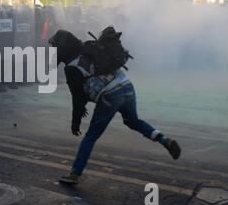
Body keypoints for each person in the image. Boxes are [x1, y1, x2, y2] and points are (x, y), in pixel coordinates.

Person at [48, 30, 181, 185]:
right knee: (133, 121)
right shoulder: (89, 47)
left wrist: (75, 122)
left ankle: (74, 174)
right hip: (126, 86)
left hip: (110, 95)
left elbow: (78, 98)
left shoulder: (71, 68)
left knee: (91, 136)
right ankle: (164, 140)